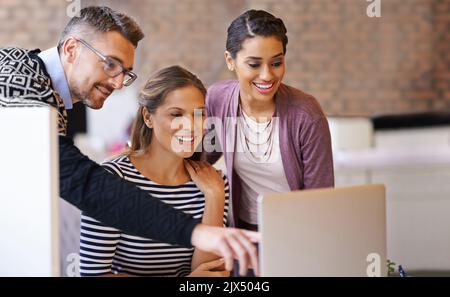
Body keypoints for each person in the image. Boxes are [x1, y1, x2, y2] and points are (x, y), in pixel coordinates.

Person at [0, 6, 258, 276]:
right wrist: (195, 232)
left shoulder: (40, 88)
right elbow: (83, 183)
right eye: (110, 63)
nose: (119, 82)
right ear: (71, 49)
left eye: (126, 71)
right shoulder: (22, 88)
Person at [80, 66, 230, 277]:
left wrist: (214, 197)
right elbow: (93, 274)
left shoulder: (214, 183)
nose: (191, 126)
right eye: (176, 114)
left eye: (200, 114)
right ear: (148, 118)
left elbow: (210, 274)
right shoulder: (111, 180)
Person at [206, 9, 334, 232]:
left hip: (297, 232)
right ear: (230, 60)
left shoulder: (306, 114)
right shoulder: (216, 98)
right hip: (243, 233)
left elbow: (320, 199)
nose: (267, 75)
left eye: (276, 63)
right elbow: (198, 159)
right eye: (254, 64)